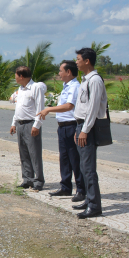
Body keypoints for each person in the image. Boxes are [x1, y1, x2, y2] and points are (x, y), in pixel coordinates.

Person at [37, 60, 85, 202]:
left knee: (74, 159)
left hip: (71, 125)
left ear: (68, 72)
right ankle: (65, 187)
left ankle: (81, 190)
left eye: (60, 71)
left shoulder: (75, 86)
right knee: (64, 158)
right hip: (63, 126)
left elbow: (69, 106)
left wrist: (48, 109)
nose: (59, 74)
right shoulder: (66, 86)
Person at [71, 47, 106, 219]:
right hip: (80, 126)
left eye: (78, 59)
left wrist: (84, 130)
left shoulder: (95, 81)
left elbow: (92, 109)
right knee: (83, 167)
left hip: (88, 128)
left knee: (89, 168)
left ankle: (94, 206)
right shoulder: (85, 80)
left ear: (87, 61)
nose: (76, 62)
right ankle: (88, 199)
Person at [9, 66, 46, 191]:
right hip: (20, 123)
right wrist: (13, 123)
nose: (15, 77)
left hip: (31, 124)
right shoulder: (21, 90)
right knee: (24, 153)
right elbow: (18, 108)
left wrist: (37, 125)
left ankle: (39, 181)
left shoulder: (35, 88)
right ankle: (27, 179)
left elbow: (40, 108)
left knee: (34, 153)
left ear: (21, 76)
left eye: (16, 75)